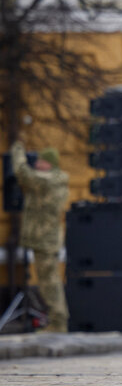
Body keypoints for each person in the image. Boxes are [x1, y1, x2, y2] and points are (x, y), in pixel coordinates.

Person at [10, 140, 69, 332]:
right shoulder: (53, 180)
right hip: (45, 239)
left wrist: (17, 151)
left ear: (49, 164)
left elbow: (23, 173)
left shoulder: (48, 180)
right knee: (48, 282)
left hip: (45, 240)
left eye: (41, 162)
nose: (37, 164)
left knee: (49, 284)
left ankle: (58, 322)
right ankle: (57, 321)